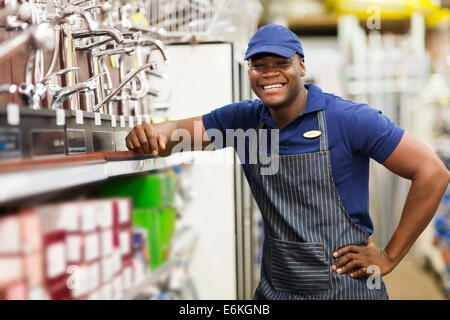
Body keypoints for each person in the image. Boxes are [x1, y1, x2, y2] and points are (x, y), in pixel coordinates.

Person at [125, 24, 450, 300]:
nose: (269, 74)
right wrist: (150, 132)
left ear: (302, 67)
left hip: (347, 288)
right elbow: (173, 135)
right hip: (277, 289)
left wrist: (390, 255)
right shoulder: (243, 121)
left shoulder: (349, 120)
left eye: (281, 63)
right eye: (258, 65)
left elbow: (432, 173)